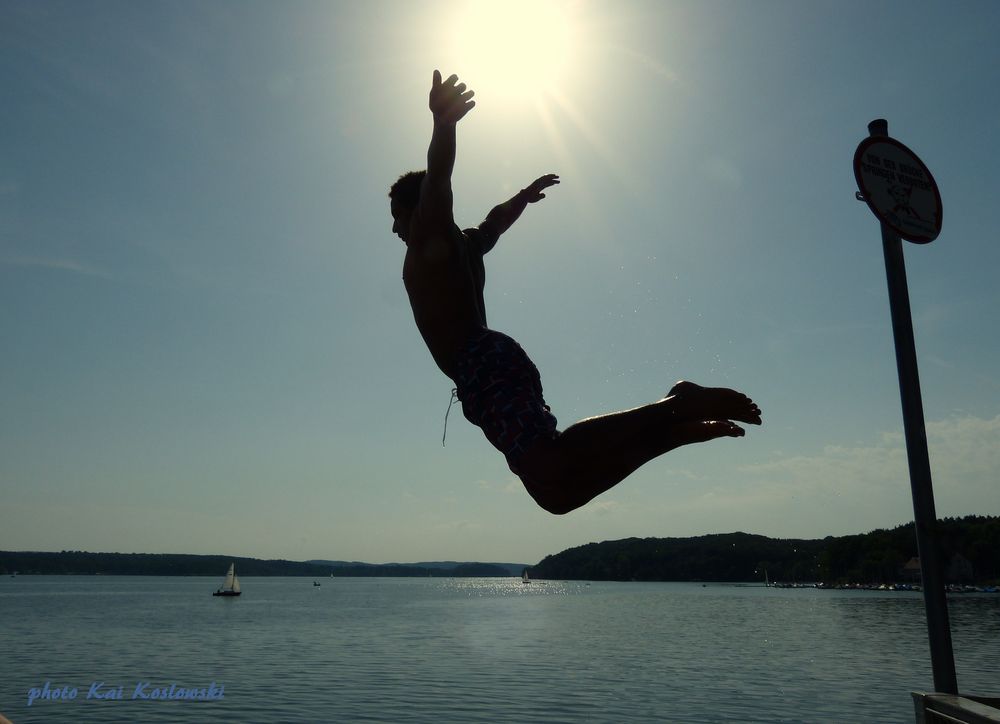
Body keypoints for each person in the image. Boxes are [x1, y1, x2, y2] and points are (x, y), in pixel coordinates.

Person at [389, 70, 762, 515]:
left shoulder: (433, 233)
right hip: (483, 372)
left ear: (418, 210)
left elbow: (437, 179)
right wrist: (522, 199)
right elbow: (493, 224)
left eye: (398, 216)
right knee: (556, 494)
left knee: (552, 459)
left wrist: (443, 125)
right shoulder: (464, 245)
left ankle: (677, 405)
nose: (394, 228)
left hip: (482, 362)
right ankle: (673, 430)